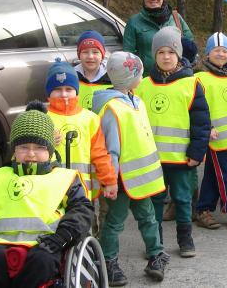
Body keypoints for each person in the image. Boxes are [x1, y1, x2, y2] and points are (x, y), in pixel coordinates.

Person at [0, 104, 93, 288]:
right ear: (14, 150)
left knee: (41, 262)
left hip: (47, 245)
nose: (31, 154)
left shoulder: (64, 178)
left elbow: (82, 210)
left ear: (50, 151)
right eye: (23, 147)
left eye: (39, 147)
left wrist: (62, 236)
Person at [92, 52, 170, 285]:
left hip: (140, 180)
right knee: (115, 222)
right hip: (121, 180)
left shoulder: (136, 100)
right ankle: (108, 261)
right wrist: (110, 181)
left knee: (148, 218)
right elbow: (112, 149)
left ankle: (156, 255)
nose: (142, 76)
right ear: (128, 78)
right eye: (139, 73)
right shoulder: (113, 109)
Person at [134, 26, 209, 257]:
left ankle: (185, 240)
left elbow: (201, 122)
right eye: (161, 52)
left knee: (183, 199)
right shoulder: (143, 85)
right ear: (154, 55)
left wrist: (197, 152)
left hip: (181, 159)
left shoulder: (191, 84)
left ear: (179, 55)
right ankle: (155, 243)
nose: (166, 57)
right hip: (152, 160)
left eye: (171, 52)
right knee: (154, 201)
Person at [194, 33, 227, 230]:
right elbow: (198, 108)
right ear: (207, 54)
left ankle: (203, 209)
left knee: (213, 173)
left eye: (225, 50)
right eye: (216, 50)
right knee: (226, 173)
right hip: (214, 136)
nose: (221, 54)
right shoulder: (199, 78)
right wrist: (206, 128)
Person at [45, 59, 117, 203]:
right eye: (57, 90)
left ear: (76, 91)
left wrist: (109, 181)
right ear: (48, 93)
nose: (64, 94)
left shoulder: (90, 119)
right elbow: (27, 153)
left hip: (82, 191)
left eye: (69, 89)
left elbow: (100, 154)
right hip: (50, 190)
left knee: (84, 224)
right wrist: (45, 142)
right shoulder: (42, 118)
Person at [123, 0, 195, 76]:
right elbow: (128, 53)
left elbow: (189, 44)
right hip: (147, 79)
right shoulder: (134, 22)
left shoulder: (175, 18)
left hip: (176, 77)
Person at [75, 30, 113, 110]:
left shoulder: (113, 78)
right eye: (85, 52)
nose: (90, 56)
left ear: (102, 55)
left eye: (95, 52)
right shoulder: (72, 77)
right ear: (79, 55)